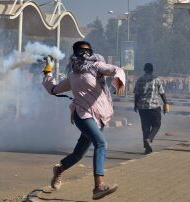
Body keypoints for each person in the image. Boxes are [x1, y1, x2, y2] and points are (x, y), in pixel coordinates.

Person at [42, 41, 125, 200]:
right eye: (80, 50)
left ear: (91, 52)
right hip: (82, 115)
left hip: (100, 116)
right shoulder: (73, 75)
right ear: (74, 53)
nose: (83, 54)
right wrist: (48, 70)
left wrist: (118, 80)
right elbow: (53, 89)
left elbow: (116, 69)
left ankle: (60, 169)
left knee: (78, 154)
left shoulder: (96, 66)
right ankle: (98, 187)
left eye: (87, 51)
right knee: (101, 143)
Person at [133, 63, 169, 154]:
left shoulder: (140, 80)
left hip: (142, 107)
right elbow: (162, 93)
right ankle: (149, 139)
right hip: (154, 107)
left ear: (144, 69)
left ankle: (147, 147)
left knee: (145, 127)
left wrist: (135, 105)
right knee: (157, 124)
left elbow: (136, 94)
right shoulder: (157, 80)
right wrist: (166, 103)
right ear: (152, 70)